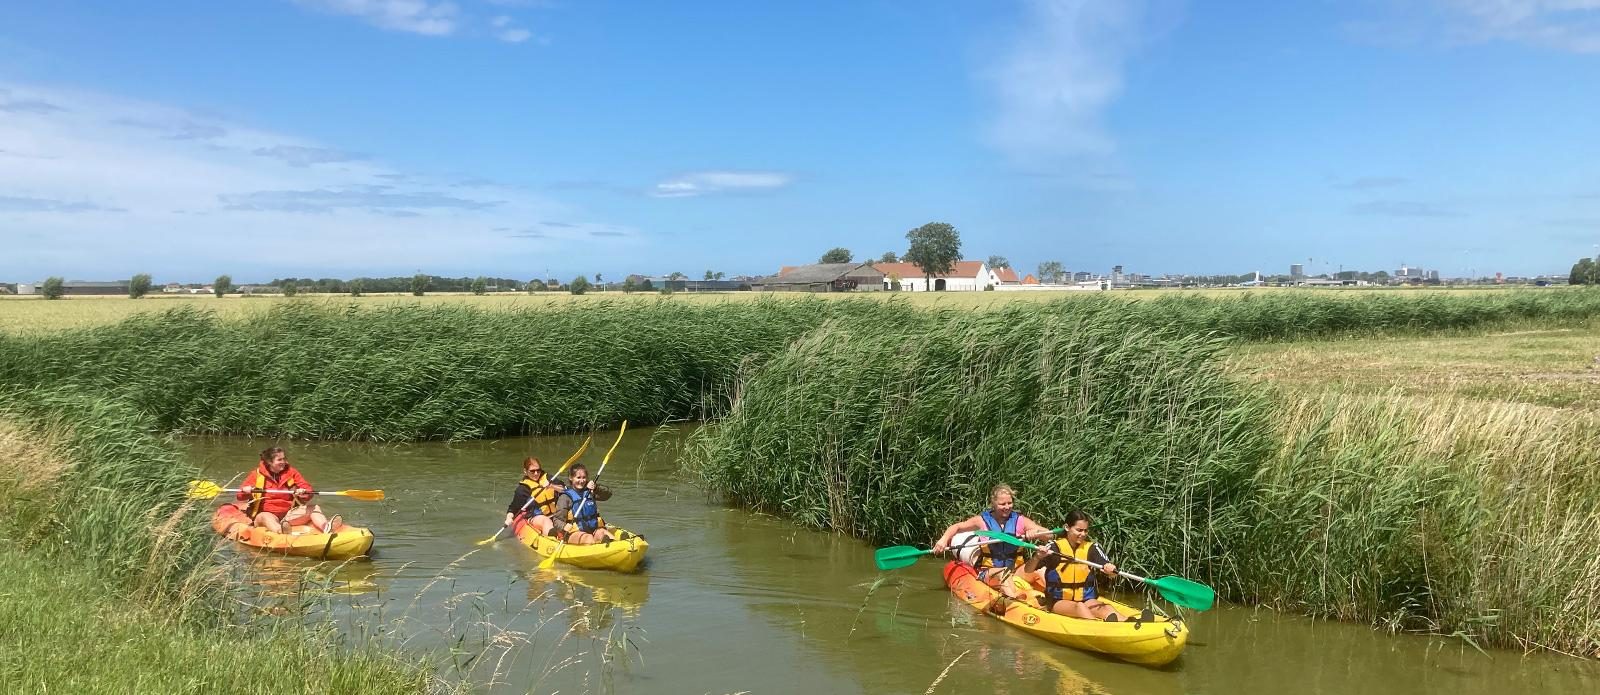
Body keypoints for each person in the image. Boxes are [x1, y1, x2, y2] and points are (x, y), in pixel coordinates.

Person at [1025, 511, 1146, 623]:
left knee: (1106, 608)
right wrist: (1037, 557)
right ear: (1067, 528)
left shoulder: (1092, 548)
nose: (1083, 534)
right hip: (1057, 601)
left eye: (1085, 531)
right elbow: (1028, 570)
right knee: (1079, 607)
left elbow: (1110, 570)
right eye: (1079, 530)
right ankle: (1100, 629)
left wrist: (1110, 569)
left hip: (1086, 599)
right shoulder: (1053, 548)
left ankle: (1130, 623)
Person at [931, 483, 1054, 587]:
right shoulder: (982, 521)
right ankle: (1013, 601)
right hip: (988, 571)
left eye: (1009, 503)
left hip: (1016, 571)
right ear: (993, 504)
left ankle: (1051, 601)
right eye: (1002, 504)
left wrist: (1036, 533)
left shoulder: (1020, 521)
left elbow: (1049, 535)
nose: (1007, 507)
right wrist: (943, 540)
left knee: (1041, 571)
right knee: (1003, 573)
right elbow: (957, 527)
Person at [235, 447, 336, 533]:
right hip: (266, 515)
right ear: (270, 462)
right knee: (265, 516)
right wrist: (246, 491)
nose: (283, 462)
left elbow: (308, 490)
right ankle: (281, 532)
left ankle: (326, 528)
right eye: (279, 460)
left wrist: (303, 492)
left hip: (288, 515)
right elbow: (239, 496)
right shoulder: (256, 475)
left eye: (284, 459)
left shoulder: (292, 472)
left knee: (314, 508)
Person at [550, 463, 613, 544]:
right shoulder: (565, 497)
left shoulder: (590, 492)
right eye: (578, 477)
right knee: (588, 538)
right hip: (573, 533)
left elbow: (608, 494)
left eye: (584, 477)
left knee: (603, 533)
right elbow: (556, 520)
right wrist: (564, 526)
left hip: (593, 529)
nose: (582, 481)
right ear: (571, 478)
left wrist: (596, 487)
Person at [503, 456, 564, 536]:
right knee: (545, 520)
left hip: (556, 514)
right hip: (537, 517)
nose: (536, 473)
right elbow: (513, 508)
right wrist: (509, 518)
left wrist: (552, 486)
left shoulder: (549, 478)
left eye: (538, 470)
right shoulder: (523, 489)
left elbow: (565, 490)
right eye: (532, 471)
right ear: (525, 471)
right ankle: (552, 539)